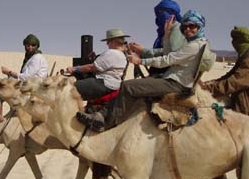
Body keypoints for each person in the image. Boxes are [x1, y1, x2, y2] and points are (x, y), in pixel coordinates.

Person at [77, 10, 209, 131]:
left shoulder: (194, 46)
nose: (187, 29)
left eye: (192, 26)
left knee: (128, 87)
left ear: (199, 26)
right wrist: (167, 35)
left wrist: (141, 61)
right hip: (172, 79)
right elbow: (168, 53)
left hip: (175, 83)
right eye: (185, 27)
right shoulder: (192, 43)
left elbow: (167, 59)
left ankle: (105, 121)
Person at [201, 26, 249, 179]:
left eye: (235, 40)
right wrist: (210, 85)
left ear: (240, 41)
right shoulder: (245, 56)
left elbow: (236, 81)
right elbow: (229, 76)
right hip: (241, 105)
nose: (232, 44)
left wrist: (211, 89)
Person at [0, 34, 48, 124]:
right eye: (28, 45)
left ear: (37, 46)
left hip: (32, 87)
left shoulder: (37, 58)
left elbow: (27, 76)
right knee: (4, 83)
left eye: (33, 45)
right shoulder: (30, 58)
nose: (30, 47)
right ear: (25, 45)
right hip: (28, 84)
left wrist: (9, 72)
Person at [65, 28, 128, 101]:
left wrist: (74, 68)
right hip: (114, 84)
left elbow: (92, 67)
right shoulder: (123, 55)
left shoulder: (112, 53)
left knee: (69, 88)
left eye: (108, 41)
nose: (107, 44)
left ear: (114, 41)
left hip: (104, 83)